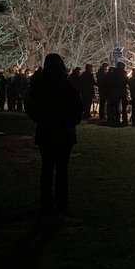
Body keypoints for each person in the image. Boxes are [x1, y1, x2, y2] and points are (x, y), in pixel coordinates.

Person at [29, 53, 83, 214]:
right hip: (64, 130)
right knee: (62, 168)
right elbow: (78, 105)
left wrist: (38, 118)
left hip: (46, 129)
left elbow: (29, 104)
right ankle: (61, 202)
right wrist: (73, 120)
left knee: (47, 167)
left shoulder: (40, 85)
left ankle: (46, 201)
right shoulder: (67, 85)